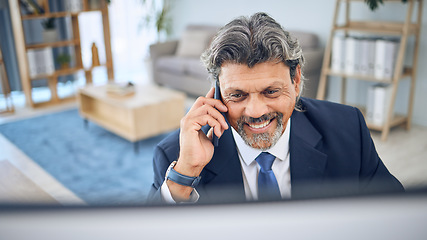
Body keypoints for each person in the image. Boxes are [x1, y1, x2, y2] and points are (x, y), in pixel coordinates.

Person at [148, 12, 404, 204]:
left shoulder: (347, 128)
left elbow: (395, 214)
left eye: (271, 91)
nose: (256, 111)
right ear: (217, 95)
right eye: (237, 95)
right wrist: (186, 174)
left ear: (295, 81)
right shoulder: (175, 155)